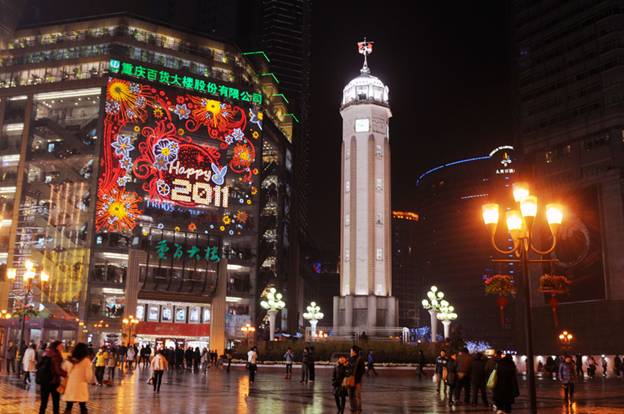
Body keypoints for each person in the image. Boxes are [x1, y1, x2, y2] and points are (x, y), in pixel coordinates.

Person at [62, 343, 93, 413]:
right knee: (83, 406)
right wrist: (87, 381)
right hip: (81, 386)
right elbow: (88, 376)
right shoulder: (86, 361)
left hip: (70, 385)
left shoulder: (69, 360)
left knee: (68, 406)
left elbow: (64, 369)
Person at [37, 340, 67, 414]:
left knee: (43, 402)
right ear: (57, 347)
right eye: (61, 345)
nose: (62, 346)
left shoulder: (46, 353)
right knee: (56, 402)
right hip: (53, 382)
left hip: (44, 381)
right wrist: (67, 374)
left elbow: (38, 365)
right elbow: (57, 370)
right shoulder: (56, 356)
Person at [346, 345, 366, 414]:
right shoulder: (350, 359)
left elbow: (362, 370)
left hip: (357, 381)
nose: (350, 352)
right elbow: (347, 369)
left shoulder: (360, 359)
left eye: (351, 350)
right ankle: (353, 408)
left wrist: (356, 377)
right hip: (350, 380)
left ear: (354, 352)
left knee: (357, 395)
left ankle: (359, 408)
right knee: (350, 394)